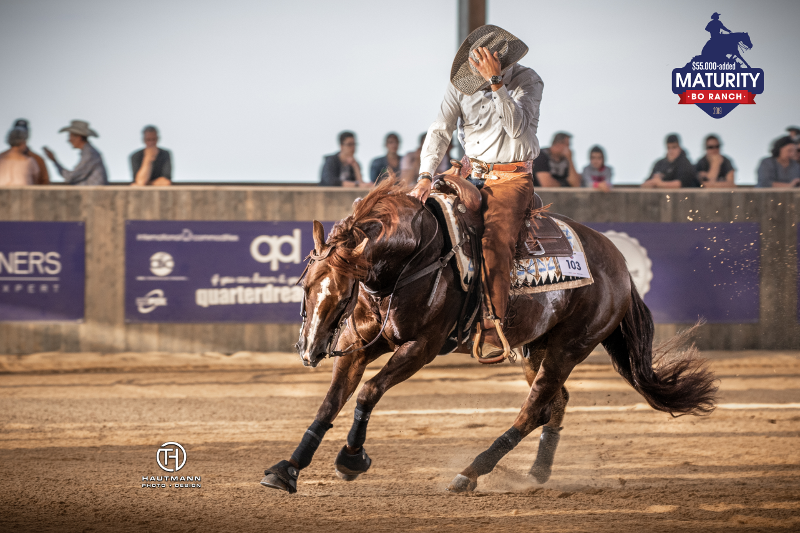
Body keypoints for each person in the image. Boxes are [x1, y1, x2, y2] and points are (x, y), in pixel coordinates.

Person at [409, 24, 542, 361]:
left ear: (498, 60)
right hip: (470, 173)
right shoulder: (460, 86)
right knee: (425, 226)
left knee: (494, 241)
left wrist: (497, 83)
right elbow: (439, 131)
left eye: (484, 64)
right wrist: (425, 176)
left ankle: (492, 325)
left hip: (511, 179)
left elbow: (519, 132)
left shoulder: (528, 80)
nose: (477, 71)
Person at [43, 120, 107, 185]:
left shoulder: (90, 154)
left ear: (79, 137)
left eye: (70, 136)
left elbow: (71, 177)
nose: (69, 140)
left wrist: (55, 161)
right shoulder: (88, 152)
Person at [5, 119, 49, 184]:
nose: (18, 136)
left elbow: (44, 181)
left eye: (21, 134)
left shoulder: (37, 160)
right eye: (17, 133)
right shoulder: (2, 158)